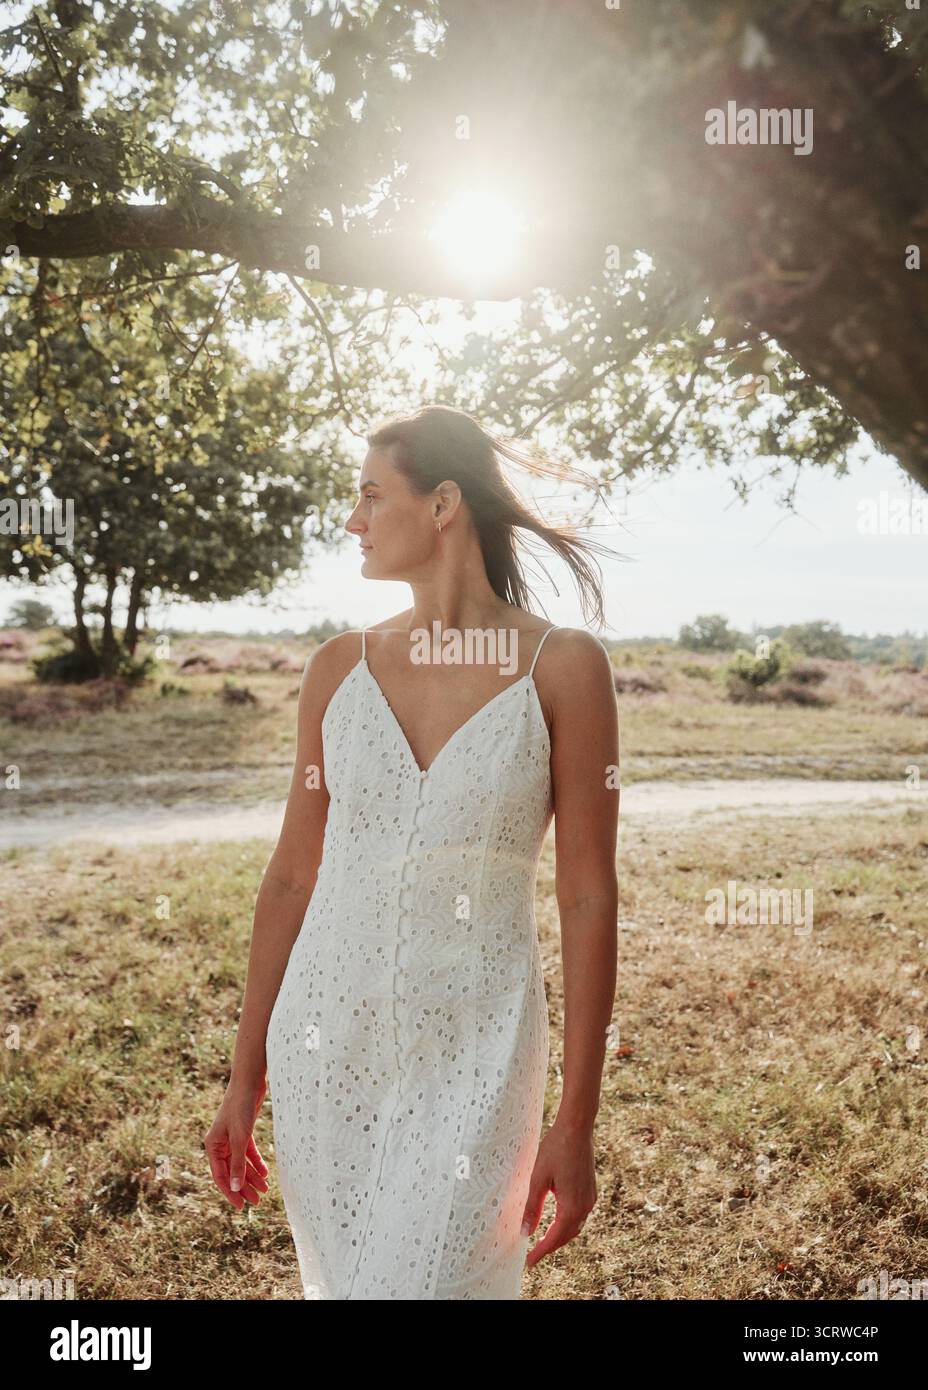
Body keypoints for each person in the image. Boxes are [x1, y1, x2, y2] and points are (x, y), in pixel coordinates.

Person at [205, 404, 621, 1299]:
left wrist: (575, 1122)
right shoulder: (336, 668)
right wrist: (245, 1076)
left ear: (441, 505)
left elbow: (588, 894)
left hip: (478, 1052)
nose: (351, 522)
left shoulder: (564, 667)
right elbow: (290, 875)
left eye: (367, 497)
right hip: (327, 1049)